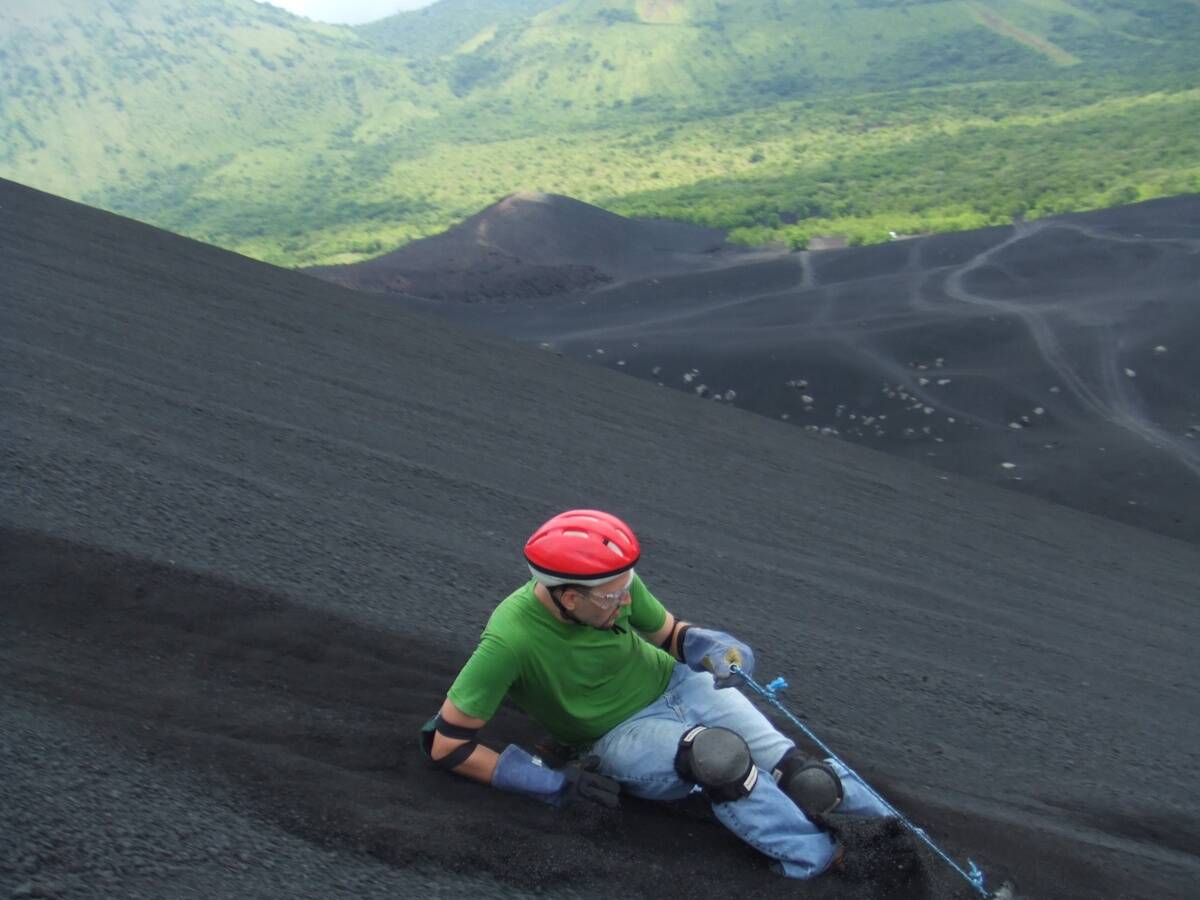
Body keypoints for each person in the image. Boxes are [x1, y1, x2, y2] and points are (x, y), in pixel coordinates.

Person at [422, 509, 897, 878]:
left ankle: (898, 837)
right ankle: (816, 863)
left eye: (626, 588)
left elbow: (669, 634)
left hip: (681, 683)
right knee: (718, 759)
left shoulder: (610, 588)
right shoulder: (509, 641)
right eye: (614, 597)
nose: (626, 601)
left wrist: (715, 647)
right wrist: (554, 782)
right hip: (618, 733)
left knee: (807, 780)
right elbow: (448, 744)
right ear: (569, 598)